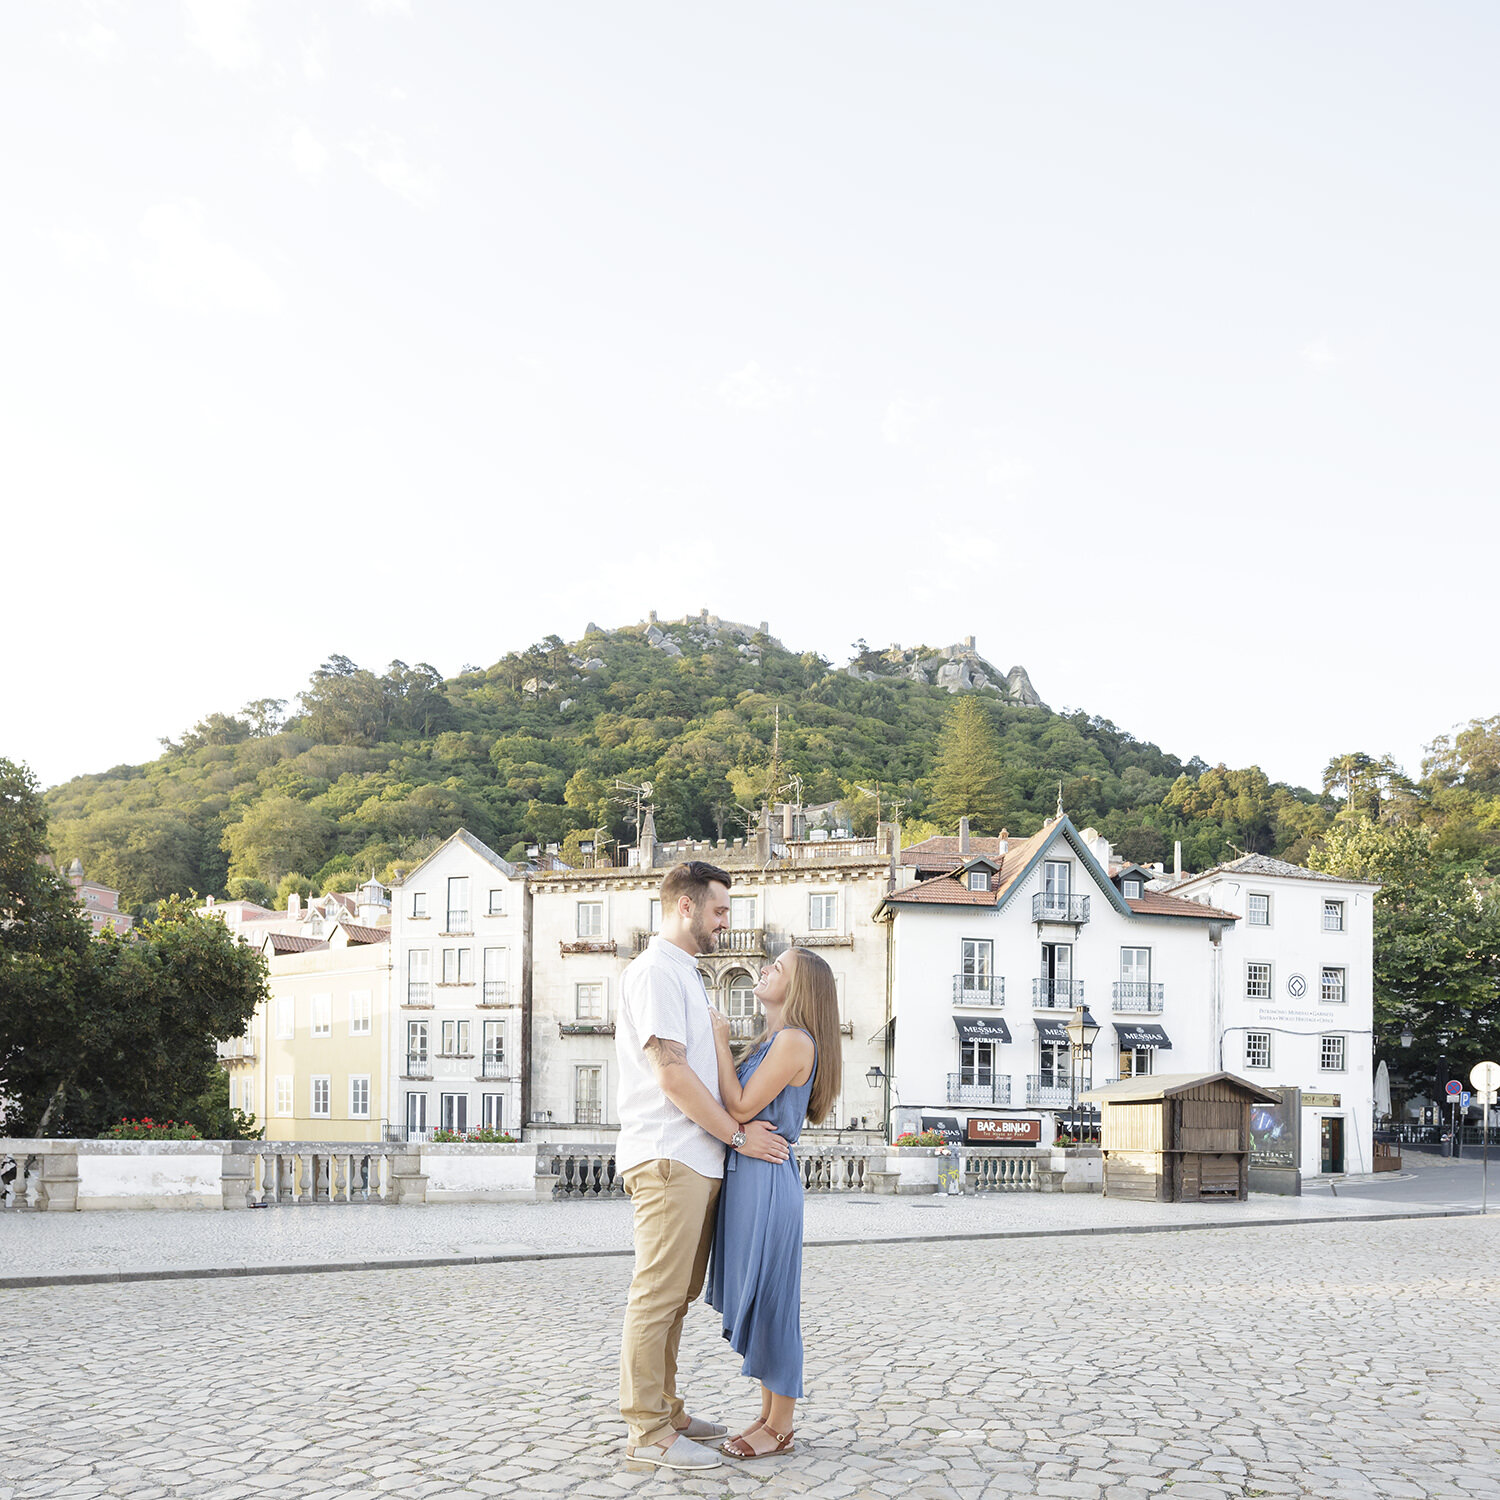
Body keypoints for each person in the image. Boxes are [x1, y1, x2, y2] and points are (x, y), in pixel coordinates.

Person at [615, 861, 791, 1472]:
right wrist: (739, 1136)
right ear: (686, 907)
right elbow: (671, 1073)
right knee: (658, 1294)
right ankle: (648, 1431)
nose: (725, 923)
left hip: (691, 1157)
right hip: (668, 1153)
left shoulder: (684, 974)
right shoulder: (658, 971)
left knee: (678, 1294)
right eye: (719, 911)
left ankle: (667, 1409)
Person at [706, 946, 843, 1460]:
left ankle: (781, 1425)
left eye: (777, 968)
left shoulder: (793, 1040)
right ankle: (767, 1414)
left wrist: (720, 1041)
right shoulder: (774, 1040)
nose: (766, 970)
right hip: (753, 1177)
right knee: (762, 1299)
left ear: (799, 987)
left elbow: (738, 1105)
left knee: (774, 1302)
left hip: (766, 1180)